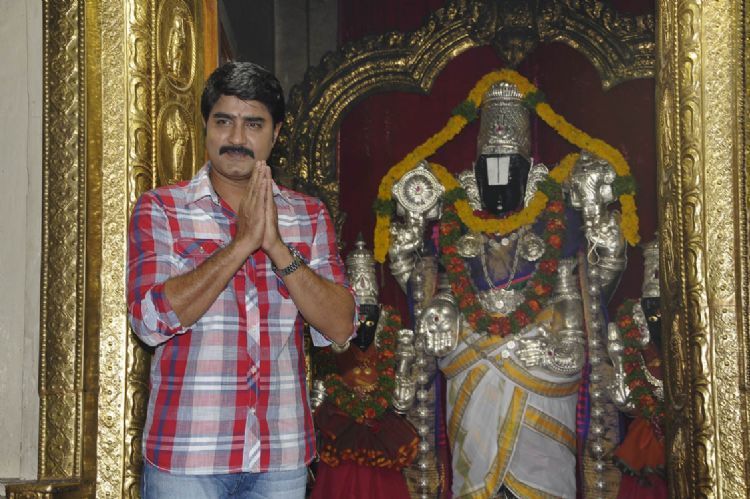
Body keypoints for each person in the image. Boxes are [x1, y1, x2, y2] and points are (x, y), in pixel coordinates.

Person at [127, 61, 356, 499]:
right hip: (186, 457)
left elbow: (341, 325)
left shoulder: (308, 215)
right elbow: (149, 322)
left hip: (280, 458)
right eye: (223, 121)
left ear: (276, 132)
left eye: (253, 124)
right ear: (206, 127)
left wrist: (276, 247)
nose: (236, 138)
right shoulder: (162, 209)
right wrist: (240, 244)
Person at [387, 81, 628, 497]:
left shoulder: (558, 219)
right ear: (475, 174)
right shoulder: (456, 221)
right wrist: (441, 305)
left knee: (542, 480)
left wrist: (609, 241)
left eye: (508, 167)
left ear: (529, 171)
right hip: (470, 361)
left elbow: (589, 294)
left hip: (542, 368)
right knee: (475, 477)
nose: (498, 178)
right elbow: (427, 282)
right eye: (490, 167)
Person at [309, 236, 418, 499]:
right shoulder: (333, 324)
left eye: (366, 276)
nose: (362, 282)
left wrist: (403, 363)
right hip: (341, 425)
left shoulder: (389, 326)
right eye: (356, 276)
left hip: (382, 426)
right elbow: (321, 381)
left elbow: (402, 397)